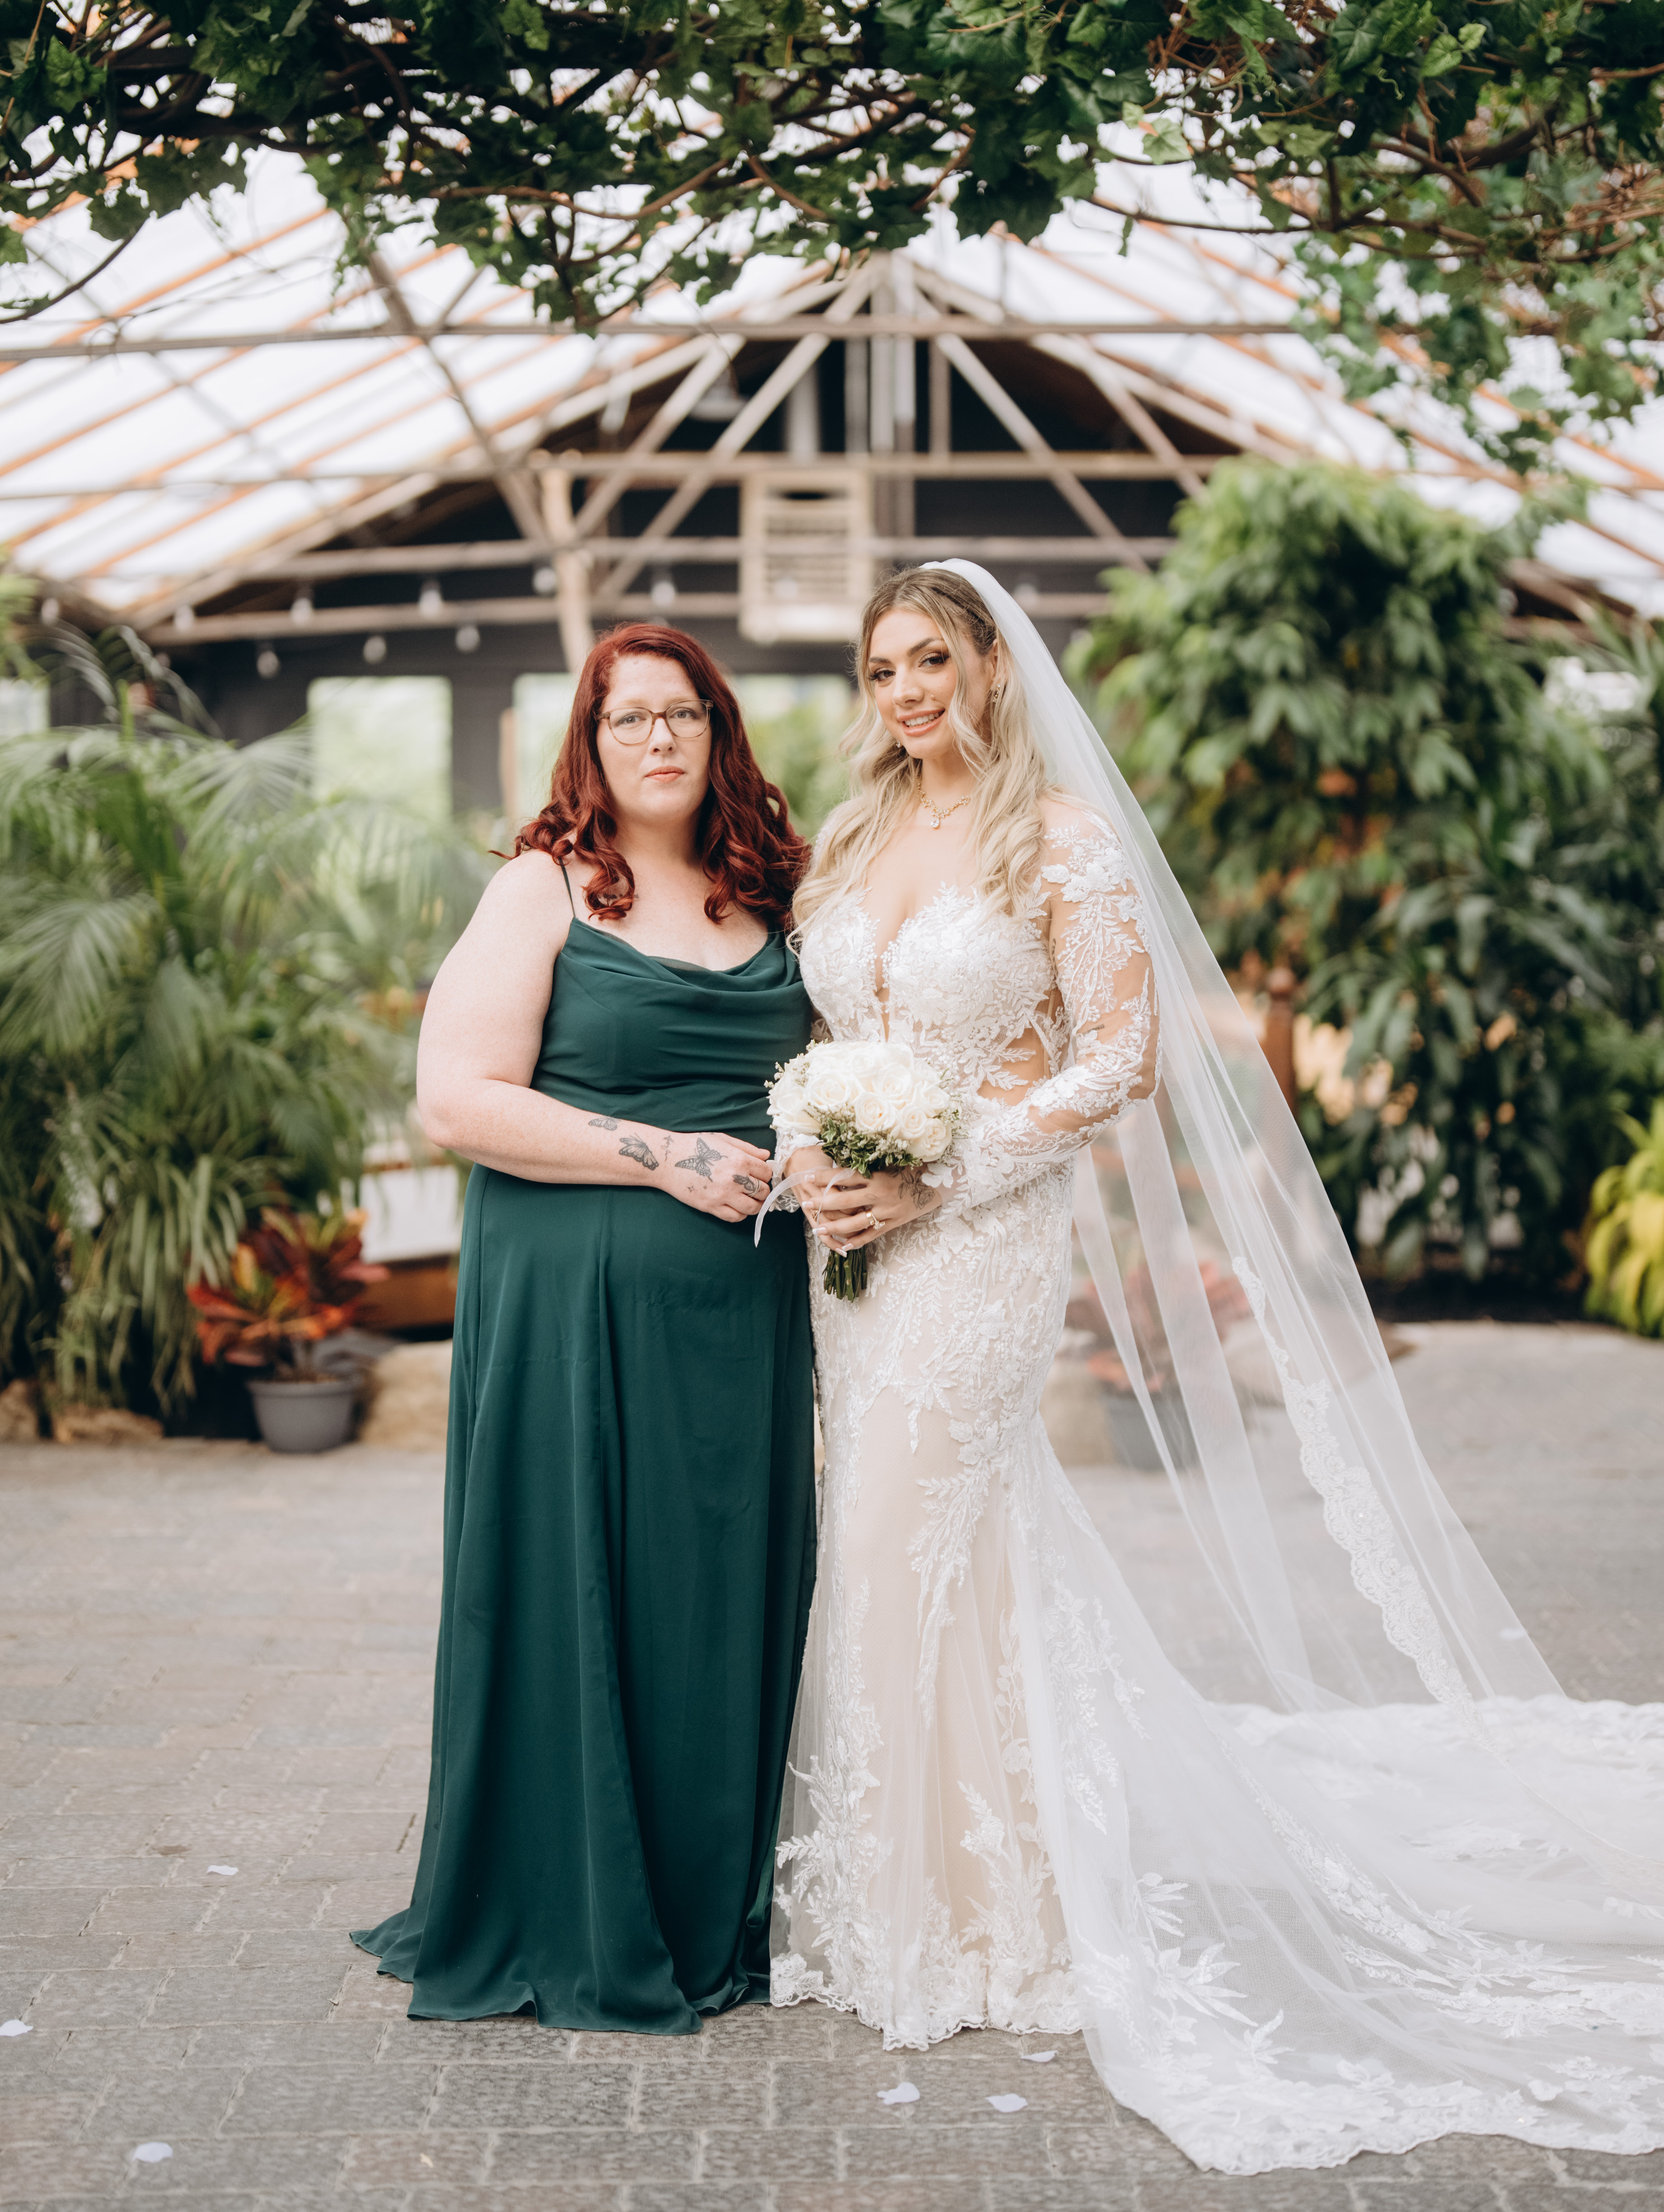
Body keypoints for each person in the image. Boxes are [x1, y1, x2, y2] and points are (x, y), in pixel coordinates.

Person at [772, 561, 1664, 2174]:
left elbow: (1117, 1058)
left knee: (910, 1526)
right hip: (858, 1255)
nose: (903, 692)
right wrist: (822, 1154)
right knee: (904, 1546)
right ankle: (927, 1885)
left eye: (929, 661)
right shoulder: (850, 836)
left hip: (979, 1235)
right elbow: (833, 1036)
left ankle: (980, 1922)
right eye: (881, 668)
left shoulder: (1061, 841)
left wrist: (937, 1169)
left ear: (990, 667)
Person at [354, 624, 817, 2033]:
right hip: (573, 1308)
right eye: (628, 720)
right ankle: (575, 1900)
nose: (657, 739)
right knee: (589, 1582)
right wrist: (659, 1155)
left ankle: (712, 1898)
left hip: (739, 1317)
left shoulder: (776, 892)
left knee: (716, 1592)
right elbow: (456, 1101)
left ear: (719, 731)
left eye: (681, 714)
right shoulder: (543, 888)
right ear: (591, 744)